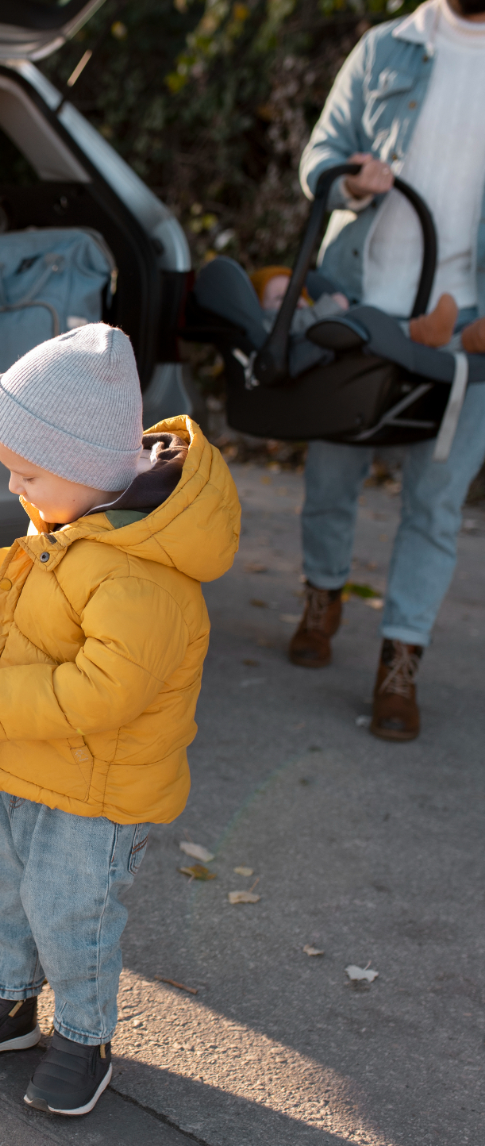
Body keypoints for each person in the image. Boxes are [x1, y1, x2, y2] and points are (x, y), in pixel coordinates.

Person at [0, 325, 240, 1115]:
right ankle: (9, 1001)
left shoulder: (143, 574)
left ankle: (85, 1039)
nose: (16, 490)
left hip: (98, 792)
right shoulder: (68, 517)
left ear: (85, 465)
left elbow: (103, 691)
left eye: (26, 473)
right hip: (32, 764)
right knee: (13, 892)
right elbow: (18, 571)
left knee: (72, 910)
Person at [294, 0, 485, 739]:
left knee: (435, 504)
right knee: (329, 477)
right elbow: (318, 158)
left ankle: (400, 663)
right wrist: (348, 180)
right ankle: (322, 597)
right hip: (362, 311)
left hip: (468, 332)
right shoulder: (387, 48)